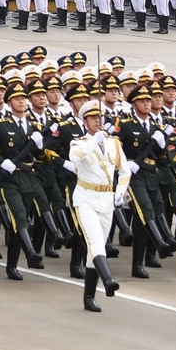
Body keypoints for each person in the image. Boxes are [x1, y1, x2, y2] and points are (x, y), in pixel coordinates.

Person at [68, 98, 130, 312]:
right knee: (94, 243)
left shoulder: (114, 143)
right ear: (84, 121)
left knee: (97, 248)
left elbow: (125, 171)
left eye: (99, 117)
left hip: (106, 200)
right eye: (92, 118)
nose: (97, 121)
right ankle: (108, 280)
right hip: (86, 198)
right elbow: (74, 158)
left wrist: (120, 192)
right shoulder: (79, 142)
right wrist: (94, 141)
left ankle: (89, 296)